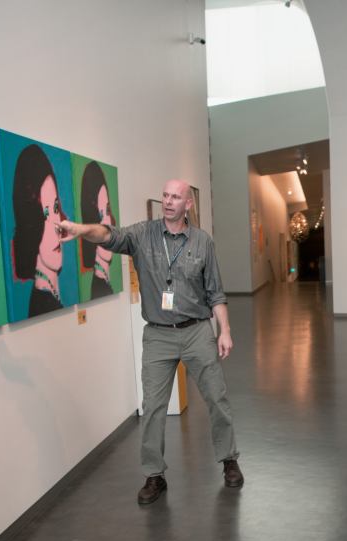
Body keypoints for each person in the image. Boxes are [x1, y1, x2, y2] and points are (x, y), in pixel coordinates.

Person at [56, 179, 243, 504]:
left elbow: (216, 291)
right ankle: (154, 475)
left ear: (188, 204)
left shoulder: (202, 242)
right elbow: (109, 235)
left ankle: (229, 460)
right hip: (158, 334)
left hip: (198, 330)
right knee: (154, 407)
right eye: (165, 196)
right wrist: (81, 229)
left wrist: (223, 330)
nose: (169, 201)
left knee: (217, 398)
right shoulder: (143, 235)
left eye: (176, 197)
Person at [12, 144, 66, 316]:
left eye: (56, 208)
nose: (56, 226)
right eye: (44, 214)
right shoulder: (42, 304)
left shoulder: (50, 297)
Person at [78, 162, 117, 299]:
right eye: (100, 216)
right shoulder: (99, 288)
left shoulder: (106, 285)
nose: (106, 224)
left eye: (107, 210)